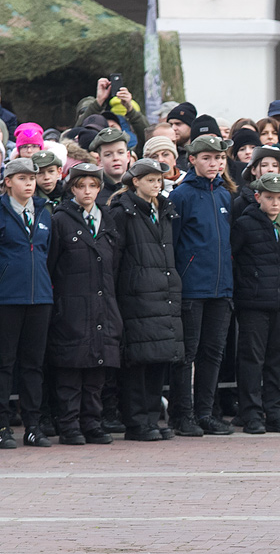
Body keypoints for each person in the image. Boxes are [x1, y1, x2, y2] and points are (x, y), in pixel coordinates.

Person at [107, 158, 184, 441]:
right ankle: (137, 422)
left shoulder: (164, 209)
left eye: (159, 180)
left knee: (158, 359)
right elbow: (115, 259)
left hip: (162, 293)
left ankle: (152, 417)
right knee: (137, 361)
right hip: (136, 295)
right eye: (150, 179)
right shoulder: (122, 212)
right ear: (135, 181)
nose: (156, 184)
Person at [47, 163, 122, 446]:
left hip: (103, 305)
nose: (87, 191)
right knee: (70, 368)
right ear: (72, 188)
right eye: (81, 186)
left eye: (92, 185)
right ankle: (68, 425)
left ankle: (92, 422)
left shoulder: (107, 219)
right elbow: (52, 264)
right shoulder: (60, 220)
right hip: (71, 305)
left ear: (100, 188)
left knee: (96, 370)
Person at [168, 134, 235, 436]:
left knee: (213, 352)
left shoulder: (224, 194)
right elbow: (173, 242)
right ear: (192, 159)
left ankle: (205, 412)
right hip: (192, 287)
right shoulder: (181, 195)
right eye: (207, 158)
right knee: (188, 354)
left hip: (221, 287)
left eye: (219, 158)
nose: (215, 163)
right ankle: (182, 415)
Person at [230, 174, 280, 434]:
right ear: (258, 196)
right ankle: (250, 413)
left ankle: (276, 411)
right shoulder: (245, 224)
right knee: (251, 359)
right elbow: (234, 257)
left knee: (277, 359)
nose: (275, 202)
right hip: (253, 301)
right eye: (269, 197)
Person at [0, 159, 54, 449]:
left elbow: (50, 254)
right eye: (22, 177)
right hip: (7, 298)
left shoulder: (45, 212)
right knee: (4, 363)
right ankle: (2, 426)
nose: (30, 183)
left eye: (32, 177)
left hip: (40, 298)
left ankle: (33, 425)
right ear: (8, 181)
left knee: (34, 365)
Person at [89, 127, 131, 206]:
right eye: (108, 154)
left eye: (120, 152)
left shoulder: (138, 187)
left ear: (128, 156)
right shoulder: (94, 192)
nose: (115, 158)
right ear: (99, 160)